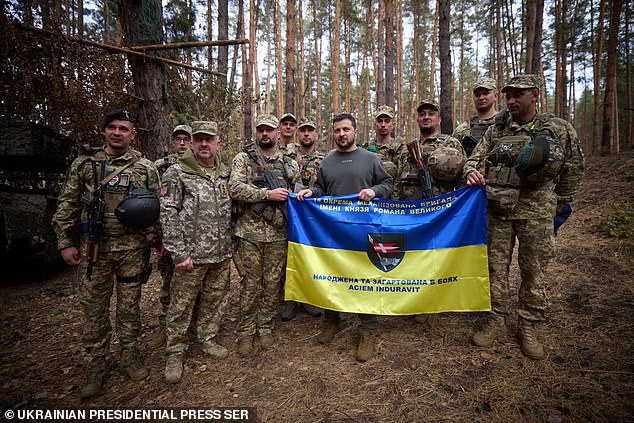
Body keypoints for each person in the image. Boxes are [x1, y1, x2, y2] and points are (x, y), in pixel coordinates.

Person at [464, 74, 584, 360]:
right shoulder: (497, 128)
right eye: (509, 95)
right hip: (499, 211)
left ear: (535, 95)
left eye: (519, 94)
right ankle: (496, 318)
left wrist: (560, 206)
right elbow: (475, 158)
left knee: (534, 269)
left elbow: (574, 168)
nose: (512, 100)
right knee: (495, 267)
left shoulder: (556, 128)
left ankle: (528, 324)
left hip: (537, 211)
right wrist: (471, 171)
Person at [52, 109, 160, 398]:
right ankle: (95, 364)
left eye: (123, 129)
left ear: (132, 134)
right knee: (94, 309)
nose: (117, 133)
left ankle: (129, 355)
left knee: (129, 307)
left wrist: (153, 234)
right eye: (112, 127)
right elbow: (67, 204)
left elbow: (156, 207)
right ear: (104, 132)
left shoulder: (144, 168)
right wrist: (65, 242)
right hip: (94, 250)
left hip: (132, 250)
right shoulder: (85, 164)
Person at [297, 113, 392, 362]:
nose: (342, 134)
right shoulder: (326, 162)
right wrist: (311, 192)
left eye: (346, 129)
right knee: (331, 276)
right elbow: (321, 190)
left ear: (355, 131)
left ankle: (367, 329)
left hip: (363, 230)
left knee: (363, 278)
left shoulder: (370, 159)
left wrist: (374, 190)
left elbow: (388, 184)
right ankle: (331, 319)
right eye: (337, 130)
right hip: (333, 231)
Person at [160, 121, 233, 384]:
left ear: (217, 142)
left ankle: (207, 338)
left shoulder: (225, 173)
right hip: (191, 255)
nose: (204, 144)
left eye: (209, 139)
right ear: (191, 142)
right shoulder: (177, 173)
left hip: (221, 253)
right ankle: (175, 352)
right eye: (198, 139)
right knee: (181, 305)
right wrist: (178, 253)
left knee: (216, 300)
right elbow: (167, 213)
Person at [228, 113, 300, 357]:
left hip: (279, 234)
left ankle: (265, 326)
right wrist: (265, 195)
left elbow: (297, 190)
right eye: (261, 130)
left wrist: (302, 194)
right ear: (256, 132)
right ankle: (245, 332)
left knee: (271, 285)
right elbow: (235, 188)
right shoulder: (243, 159)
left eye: (269, 129)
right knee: (250, 284)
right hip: (249, 234)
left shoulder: (289, 162)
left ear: (278, 132)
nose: (265, 134)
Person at [150, 124, 193, 348]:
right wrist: (158, 236)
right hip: (167, 237)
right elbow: (155, 203)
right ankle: (165, 325)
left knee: (191, 284)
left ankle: (191, 326)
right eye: (178, 139)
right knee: (168, 282)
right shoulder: (160, 166)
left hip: (193, 239)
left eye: (187, 138)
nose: (182, 143)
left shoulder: (199, 165)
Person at [280, 115, 325, 321]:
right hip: (288, 214)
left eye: (310, 130)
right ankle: (289, 299)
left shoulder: (325, 160)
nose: (306, 134)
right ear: (298, 134)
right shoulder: (286, 157)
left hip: (314, 218)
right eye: (303, 130)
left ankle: (307, 298)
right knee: (289, 255)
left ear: (316, 134)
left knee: (309, 256)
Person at [395, 99, 466, 201]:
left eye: (431, 114)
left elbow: (462, 179)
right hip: (410, 212)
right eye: (422, 114)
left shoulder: (451, 144)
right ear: (417, 120)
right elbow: (398, 185)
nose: (426, 117)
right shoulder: (406, 151)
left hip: (441, 209)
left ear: (439, 119)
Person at [453, 77, 499, 157]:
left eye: (486, 93)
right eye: (477, 95)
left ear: (495, 96)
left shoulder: (505, 124)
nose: (481, 98)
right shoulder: (462, 130)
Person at [363, 105, 402, 183]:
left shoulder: (399, 148)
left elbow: (400, 178)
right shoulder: (366, 149)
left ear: (393, 125)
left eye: (387, 121)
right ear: (375, 124)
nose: (383, 125)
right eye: (380, 121)